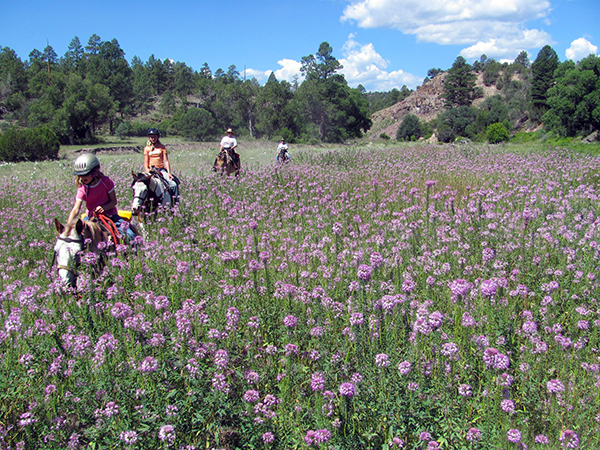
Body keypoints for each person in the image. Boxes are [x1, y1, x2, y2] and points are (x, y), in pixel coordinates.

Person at [67, 153, 136, 242]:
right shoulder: (82, 188)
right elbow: (76, 209)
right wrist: (68, 227)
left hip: (110, 215)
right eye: (80, 175)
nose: (82, 177)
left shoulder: (106, 182)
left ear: (94, 172)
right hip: (90, 217)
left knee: (130, 235)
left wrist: (104, 208)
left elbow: (113, 202)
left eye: (85, 174)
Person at [144, 128, 179, 201]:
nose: (153, 138)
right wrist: (147, 171)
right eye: (151, 137)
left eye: (154, 137)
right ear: (149, 138)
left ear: (158, 137)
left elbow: (166, 161)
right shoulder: (146, 148)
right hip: (151, 170)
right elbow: (146, 162)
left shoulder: (162, 147)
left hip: (160, 170)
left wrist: (169, 173)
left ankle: (175, 204)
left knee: (174, 185)